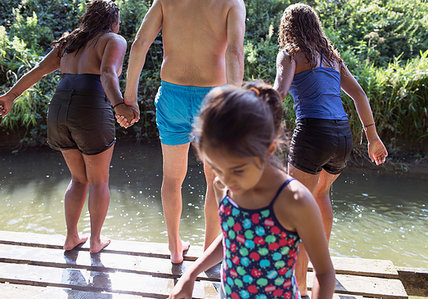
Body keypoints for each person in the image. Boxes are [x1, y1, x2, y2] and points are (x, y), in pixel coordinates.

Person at [170, 83, 335, 299]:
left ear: (269, 149)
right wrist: (190, 274)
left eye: (237, 170)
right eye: (217, 168)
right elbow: (233, 236)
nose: (226, 179)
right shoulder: (228, 184)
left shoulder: (295, 200)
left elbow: (324, 273)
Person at [0, 0, 136, 253]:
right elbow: (107, 73)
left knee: (78, 178)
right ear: (113, 21)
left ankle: (71, 237)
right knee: (99, 180)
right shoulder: (113, 40)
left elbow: (39, 70)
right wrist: (119, 105)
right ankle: (95, 241)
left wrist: (9, 96)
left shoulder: (68, 42)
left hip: (60, 108)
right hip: (90, 107)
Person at [273, 3, 388, 296]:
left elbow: (279, 94)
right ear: (315, 26)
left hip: (313, 133)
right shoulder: (332, 57)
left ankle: (297, 286)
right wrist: (373, 138)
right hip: (342, 136)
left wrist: (261, 132)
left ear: (288, 28)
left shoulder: (291, 54)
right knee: (321, 194)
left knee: (297, 210)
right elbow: (359, 94)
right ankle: (320, 270)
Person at [118, 0, 246, 263]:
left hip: (172, 96)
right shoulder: (232, 2)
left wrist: (129, 97)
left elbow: (140, 44)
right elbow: (234, 52)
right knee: (214, 180)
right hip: (212, 98)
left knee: (172, 177)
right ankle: (209, 251)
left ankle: (175, 249)